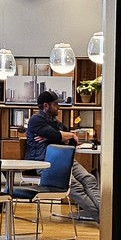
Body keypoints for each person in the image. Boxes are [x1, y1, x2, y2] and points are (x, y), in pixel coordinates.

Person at [24, 91, 100, 221]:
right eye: (56, 104)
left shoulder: (55, 122)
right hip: (45, 163)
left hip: (64, 159)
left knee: (89, 179)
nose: (59, 107)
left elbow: (71, 143)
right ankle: (101, 217)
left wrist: (61, 136)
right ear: (46, 106)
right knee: (74, 185)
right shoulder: (36, 120)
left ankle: (104, 212)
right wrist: (65, 135)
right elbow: (59, 136)